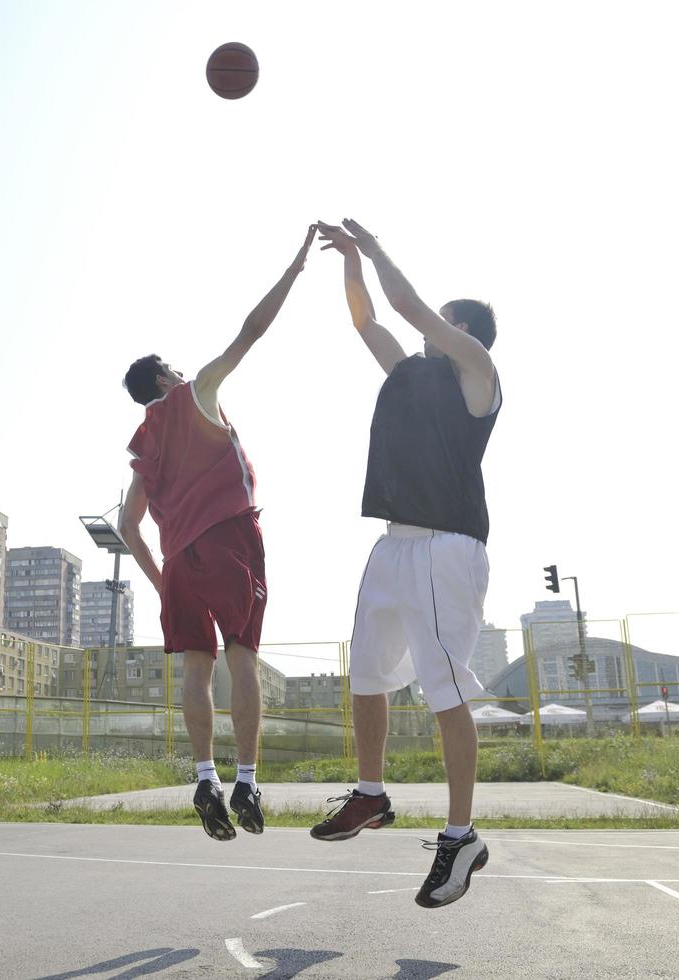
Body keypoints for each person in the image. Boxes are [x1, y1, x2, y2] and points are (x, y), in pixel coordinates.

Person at [309, 218, 500, 908]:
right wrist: (350, 266)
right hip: (392, 546)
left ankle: (461, 836)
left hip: (448, 548)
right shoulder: (414, 377)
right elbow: (369, 323)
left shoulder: (478, 374)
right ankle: (370, 795)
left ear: (465, 332)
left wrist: (376, 248)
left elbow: (409, 310)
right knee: (365, 678)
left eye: (442, 325)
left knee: (443, 692)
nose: (427, 332)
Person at [118, 225, 316, 841]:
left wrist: (160, 582)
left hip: (179, 561)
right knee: (244, 659)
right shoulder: (195, 393)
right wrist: (295, 269)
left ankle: (204, 775)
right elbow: (250, 331)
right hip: (229, 538)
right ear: (165, 378)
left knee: (195, 675)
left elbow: (128, 525)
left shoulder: (144, 442)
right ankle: (248, 779)